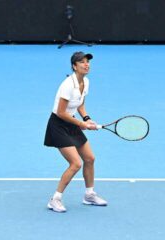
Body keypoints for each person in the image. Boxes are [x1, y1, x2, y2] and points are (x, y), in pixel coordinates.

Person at [44, 52, 107, 212]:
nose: (87, 65)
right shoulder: (67, 85)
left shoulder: (85, 82)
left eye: (88, 62)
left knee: (90, 158)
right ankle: (55, 199)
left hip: (71, 122)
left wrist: (86, 118)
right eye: (82, 62)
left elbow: (79, 104)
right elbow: (61, 112)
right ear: (74, 66)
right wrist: (81, 124)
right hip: (58, 125)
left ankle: (89, 195)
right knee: (76, 163)